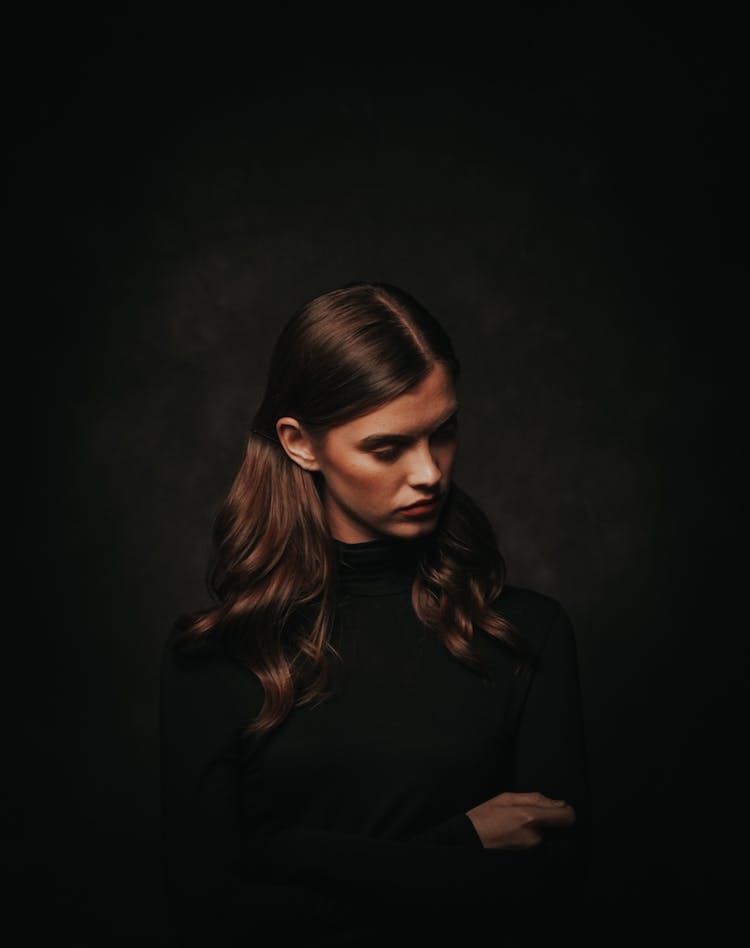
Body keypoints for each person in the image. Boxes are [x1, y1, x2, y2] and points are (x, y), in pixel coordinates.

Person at [159, 281, 590, 946]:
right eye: (388, 447)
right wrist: (463, 841)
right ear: (301, 444)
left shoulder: (526, 635)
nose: (429, 473)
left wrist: (293, 855)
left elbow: (545, 902)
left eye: (443, 433)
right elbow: (209, 919)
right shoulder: (216, 656)